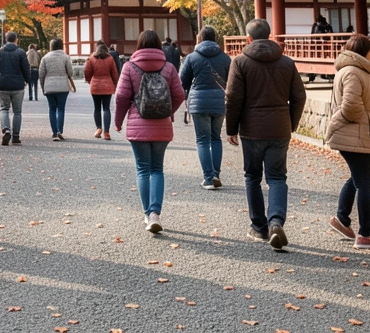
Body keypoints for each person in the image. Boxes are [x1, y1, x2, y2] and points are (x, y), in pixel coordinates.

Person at [225, 18, 305, 251]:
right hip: (279, 127)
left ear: (248, 38)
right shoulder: (287, 62)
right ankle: (276, 221)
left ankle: (259, 227)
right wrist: (291, 122)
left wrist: (231, 128)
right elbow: (299, 96)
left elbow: (233, 97)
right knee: (277, 178)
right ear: (270, 36)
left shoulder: (240, 62)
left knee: (252, 177)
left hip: (252, 129)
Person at [113, 30, 185, 235]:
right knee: (157, 169)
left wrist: (118, 121)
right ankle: (156, 213)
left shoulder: (129, 67)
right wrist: (168, 112)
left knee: (143, 169)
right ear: (159, 46)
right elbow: (179, 94)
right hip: (162, 125)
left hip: (138, 125)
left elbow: (121, 97)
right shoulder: (169, 67)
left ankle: (148, 215)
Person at [326, 34, 370, 249]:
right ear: (363, 50)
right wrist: (337, 123)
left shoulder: (355, 70)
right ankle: (365, 234)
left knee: (356, 178)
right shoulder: (353, 71)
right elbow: (351, 106)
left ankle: (342, 219)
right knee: (364, 184)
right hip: (357, 132)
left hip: (359, 132)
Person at [179, 26, 231, 190]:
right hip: (219, 102)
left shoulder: (192, 58)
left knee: (202, 140)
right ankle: (215, 174)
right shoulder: (225, 58)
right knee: (216, 138)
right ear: (215, 39)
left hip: (199, 102)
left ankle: (208, 178)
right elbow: (232, 82)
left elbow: (182, 82)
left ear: (199, 39)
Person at [0, 32, 29, 146]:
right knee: (17, 111)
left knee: (4, 109)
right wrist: (26, 80)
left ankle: (6, 129)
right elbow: (26, 68)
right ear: (16, 39)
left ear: (6, 39)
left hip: (3, 84)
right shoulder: (21, 52)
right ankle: (16, 136)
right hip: (17, 84)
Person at [38, 38, 74, 141]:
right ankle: (60, 130)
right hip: (62, 86)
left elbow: (41, 74)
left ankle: (54, 132)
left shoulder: (45, 58)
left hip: (49, 86)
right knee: (61, 109)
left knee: (52, 109)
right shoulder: (65, 57)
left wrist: (43, 86)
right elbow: (70, 72)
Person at [83, 42, 118, 139]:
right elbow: (114, 73)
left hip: (95, 85)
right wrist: (114, 84)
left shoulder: (92, 58)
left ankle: (98, 129)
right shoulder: (110, 59)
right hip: (107, 85)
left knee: (97, 108)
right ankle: (106, 132)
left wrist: (90, 81)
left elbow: (87, 72)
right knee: (106, 108)